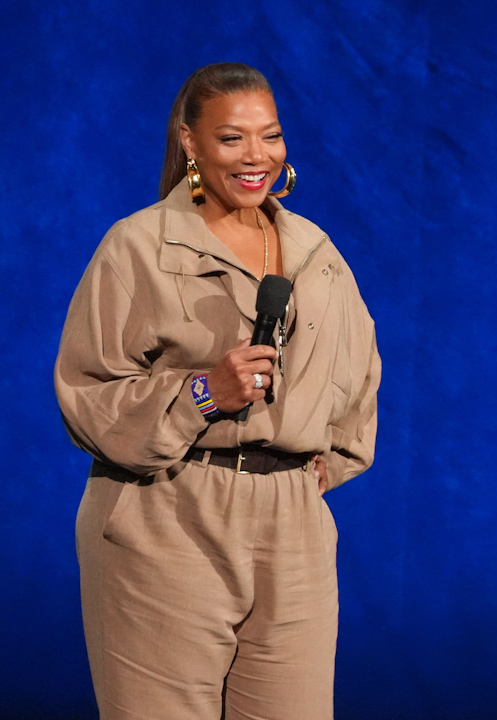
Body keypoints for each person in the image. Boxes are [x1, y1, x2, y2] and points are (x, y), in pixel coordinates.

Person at [54, 63, 380, 720]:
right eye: (232, 138)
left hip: (293, 532)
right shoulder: (139, 246)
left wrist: (321, 464)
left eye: (271, 135)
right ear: (190, 142)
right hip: (168, 515)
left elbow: (358, 371)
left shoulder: (315, 252)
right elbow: (88, 393)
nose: (257, 155)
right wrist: (203, 395)